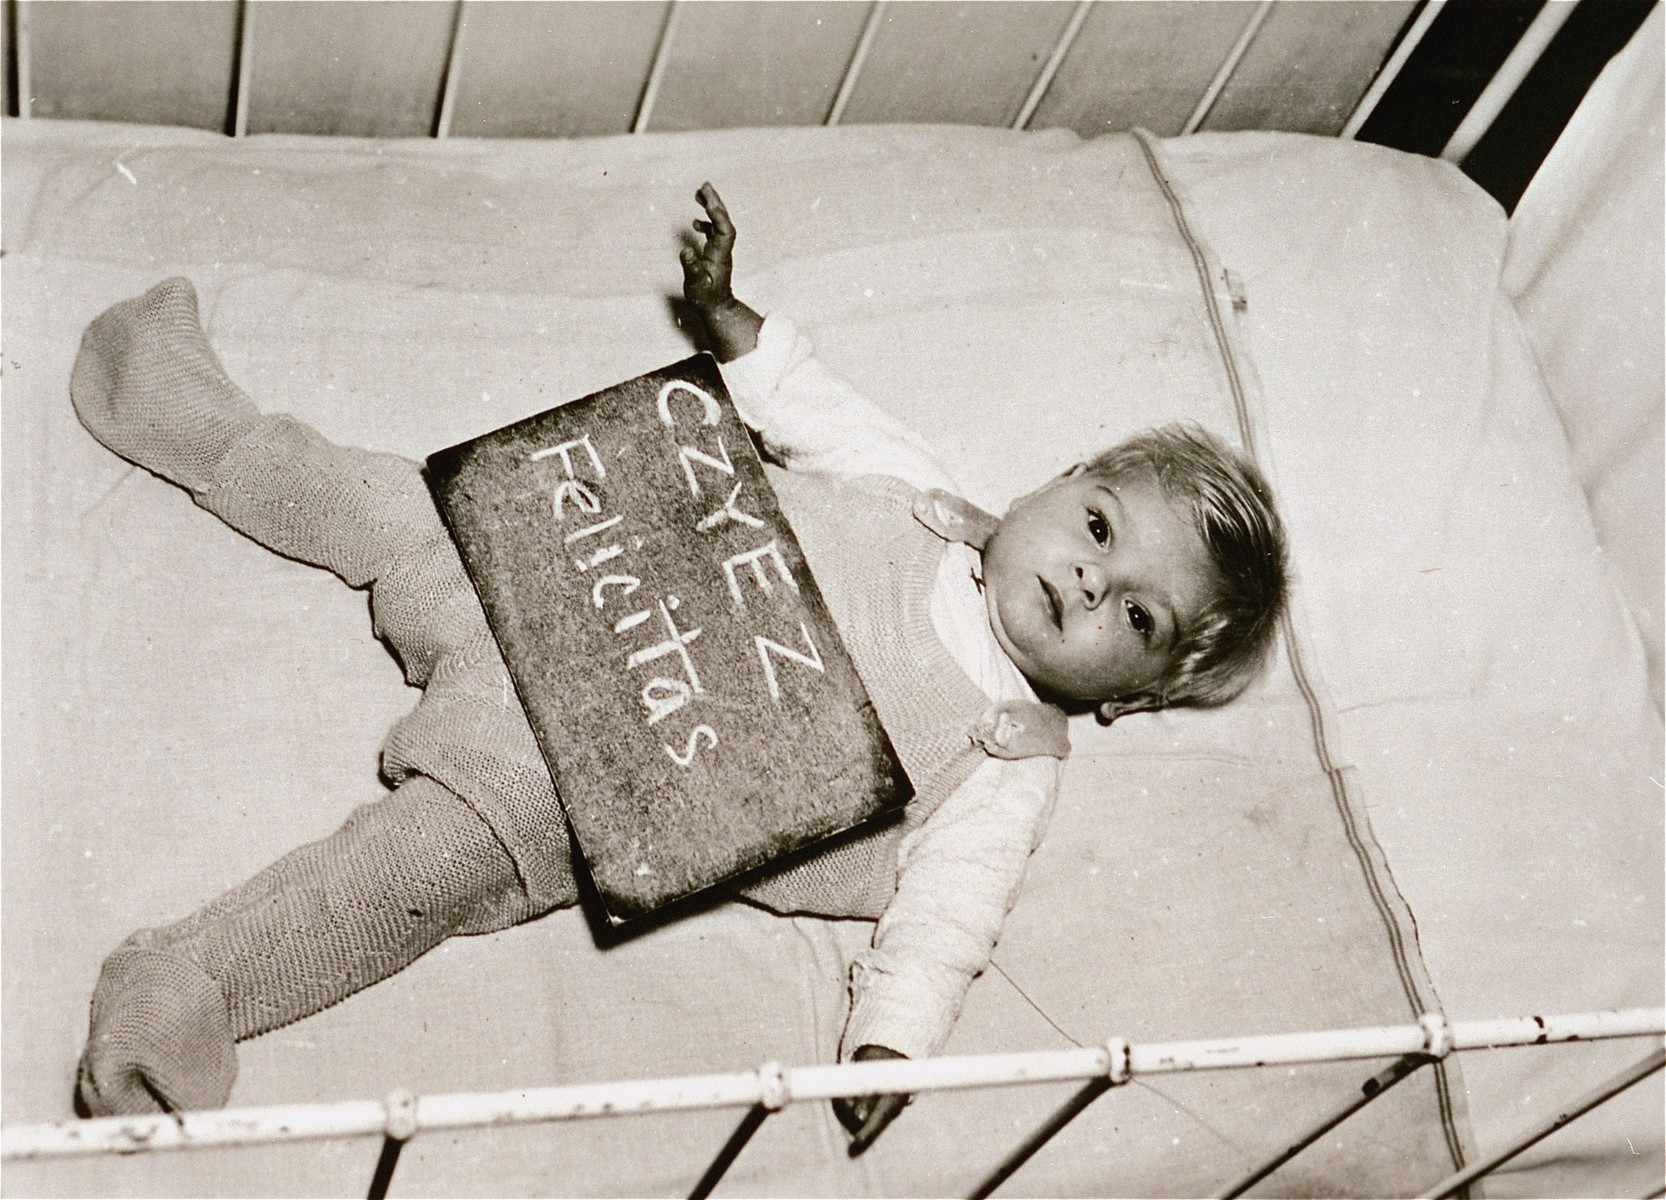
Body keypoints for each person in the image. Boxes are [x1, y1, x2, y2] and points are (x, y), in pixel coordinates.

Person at [69, 184, 1287, 1154]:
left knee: (408, 877)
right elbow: (808, 402)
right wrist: (730, 320)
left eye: (1135, 618)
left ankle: (193, 984)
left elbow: (946, 923)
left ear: (1132, 693)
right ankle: (189, 412)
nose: (1089, 582)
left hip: (566, 785)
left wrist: (891, 1046)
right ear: (1054, 483)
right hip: (556, 576)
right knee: (387, 501)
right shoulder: (913, 488)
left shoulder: (1002, 772)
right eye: (1097, 528)